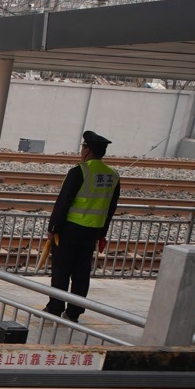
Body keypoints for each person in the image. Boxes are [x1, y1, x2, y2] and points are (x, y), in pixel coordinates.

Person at [44, 130, 121, 322]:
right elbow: (110, 208)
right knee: (81, 273)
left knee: (61, 271)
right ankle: (74, 313)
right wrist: (102, 233)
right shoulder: (113, 175)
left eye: (83, 147)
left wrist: (52, 228)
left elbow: (63, 202)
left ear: (87, 150)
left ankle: (55, 308)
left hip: (70, 230)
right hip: (92, 233)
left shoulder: (79, 171)